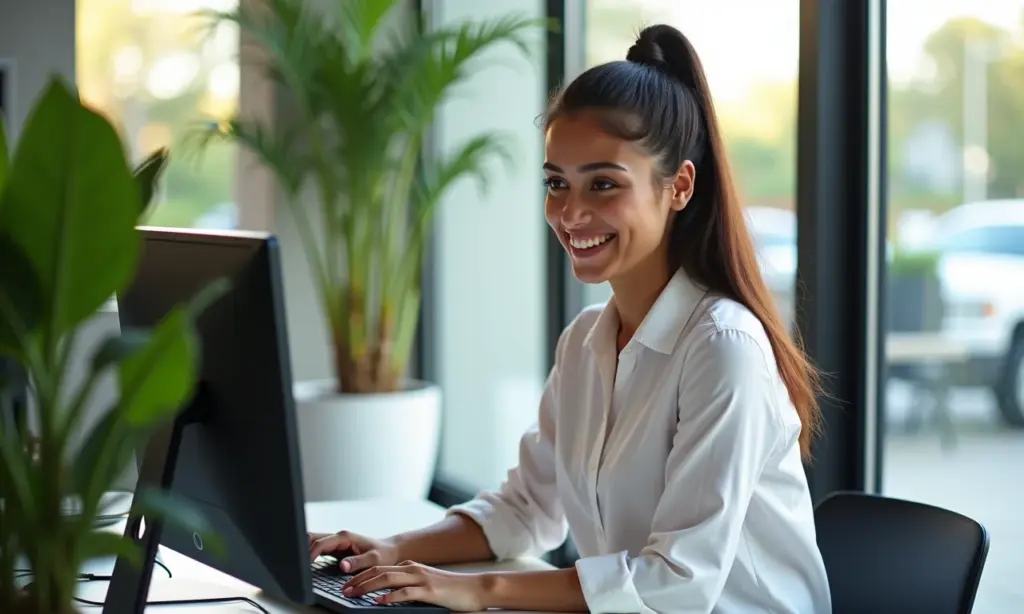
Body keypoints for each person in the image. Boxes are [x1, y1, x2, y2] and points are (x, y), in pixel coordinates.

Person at [309, 24, 832, 614]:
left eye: (603, 184)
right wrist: (393, 551)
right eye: (556, 183)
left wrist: (476, 590)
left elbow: (677, 582)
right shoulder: (585, 341)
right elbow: (526, 510)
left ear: (679, 186)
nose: (571, 212)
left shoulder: (723, 347)